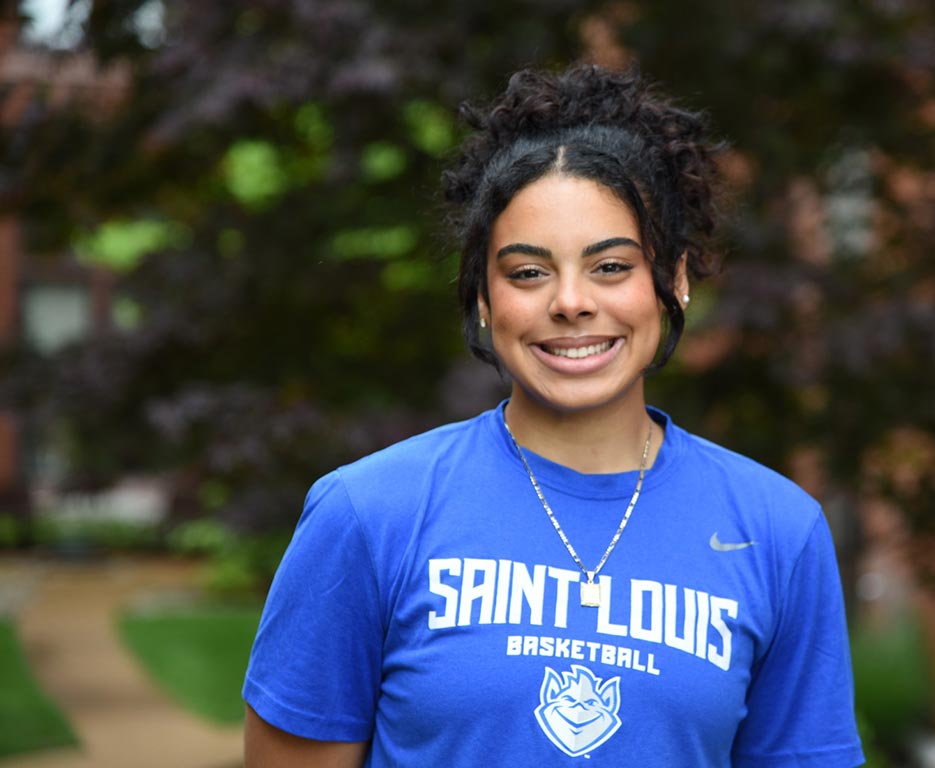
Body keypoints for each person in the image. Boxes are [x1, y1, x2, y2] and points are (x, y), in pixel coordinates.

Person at [243, 63, 865, 768]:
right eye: (528, 272)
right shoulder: (367, 515)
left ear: (675, 281)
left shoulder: (778, 533)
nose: (570, 302)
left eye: (610, 267)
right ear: (483, 295)